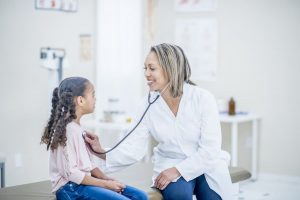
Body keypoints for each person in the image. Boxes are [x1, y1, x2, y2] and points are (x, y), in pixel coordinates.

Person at [85, 43, 233, 200]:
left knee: (213, 196)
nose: (146, 74)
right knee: (178, 195)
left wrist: (177, 170)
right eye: (145, 68)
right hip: (170, 161)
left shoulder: (203, 98)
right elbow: (133, 148)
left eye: (152, 68)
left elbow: (210, 151)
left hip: (205, 164)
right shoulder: (147, 105)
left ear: (170, 69)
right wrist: (101, 151)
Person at [40, 77, 148, 200]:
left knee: (140, 196)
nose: (95, 99)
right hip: (70, 189)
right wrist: (105, 185)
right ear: (81, 100)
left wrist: (106, 178)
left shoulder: (78, 128)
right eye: (93, 95)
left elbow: (88, 165)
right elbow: (71, 173)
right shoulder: (67, 130)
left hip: (83, 184)